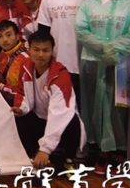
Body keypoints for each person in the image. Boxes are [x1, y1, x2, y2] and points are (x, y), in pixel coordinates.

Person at [75, 0, 130, 175]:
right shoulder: (88, 5)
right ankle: (97, 150)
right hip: (92, 62)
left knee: (117, 110)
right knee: (92, 106)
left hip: (120, 64)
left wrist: (113, 49)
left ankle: (118, 152)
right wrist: (103, 47)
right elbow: (81, 29)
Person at [8, 31, 84, 170]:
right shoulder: (26, 66)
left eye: (45, 50)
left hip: (61, 122)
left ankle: (68, 158)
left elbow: (59, 113)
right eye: (36, 50)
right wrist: (21, 108)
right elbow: (22, 93)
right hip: (40, 119)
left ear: (52, 51)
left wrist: (46, 148)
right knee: (18, 118)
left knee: (70, 121)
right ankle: (33, 155)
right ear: (29, 50)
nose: (41, 54)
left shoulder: (60, 75)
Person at [37, 0, 96, 100]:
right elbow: (44, 31)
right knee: (62, 101)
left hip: (84, 59)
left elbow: (95, 29)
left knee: (83, 101)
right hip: (58, 58)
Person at [0, 20, 29, 104]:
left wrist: (1, 86)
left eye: (8, 35)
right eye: (0, 36)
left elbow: (27, 94)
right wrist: (0, 77)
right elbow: (9, 81)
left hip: (22, 105)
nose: (4, 40)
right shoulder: (1, 55)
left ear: (17, 36)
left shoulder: (26, 59)